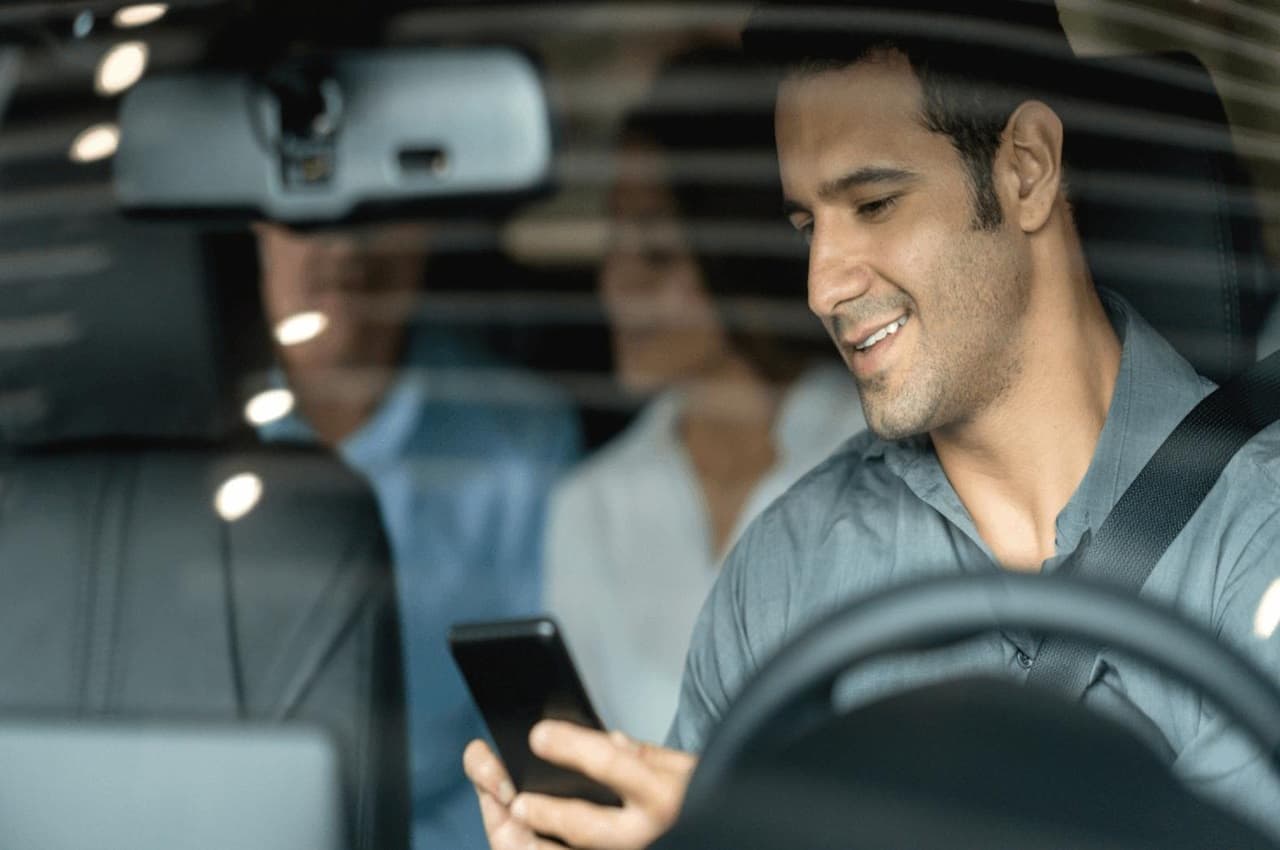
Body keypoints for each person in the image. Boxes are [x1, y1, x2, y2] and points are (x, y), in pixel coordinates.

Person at [464, 2, 1280, 847]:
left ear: (1028, 169)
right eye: (807, 225)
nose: (823, 286)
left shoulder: (1260, 536)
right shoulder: (782, 576)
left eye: (876, 204)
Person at [544, 47, 865, 745]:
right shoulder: (591, 505)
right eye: (614, 242)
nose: (615, 284)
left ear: (736, 253)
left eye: (657, 250)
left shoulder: (877, 455)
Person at [254, 219, 582, 850]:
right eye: (307, 212)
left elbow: (527, 742)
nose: (345, 244)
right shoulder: (178, 440)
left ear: (427, 227)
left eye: (376, 209)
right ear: (257, 224)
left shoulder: (520, 438)